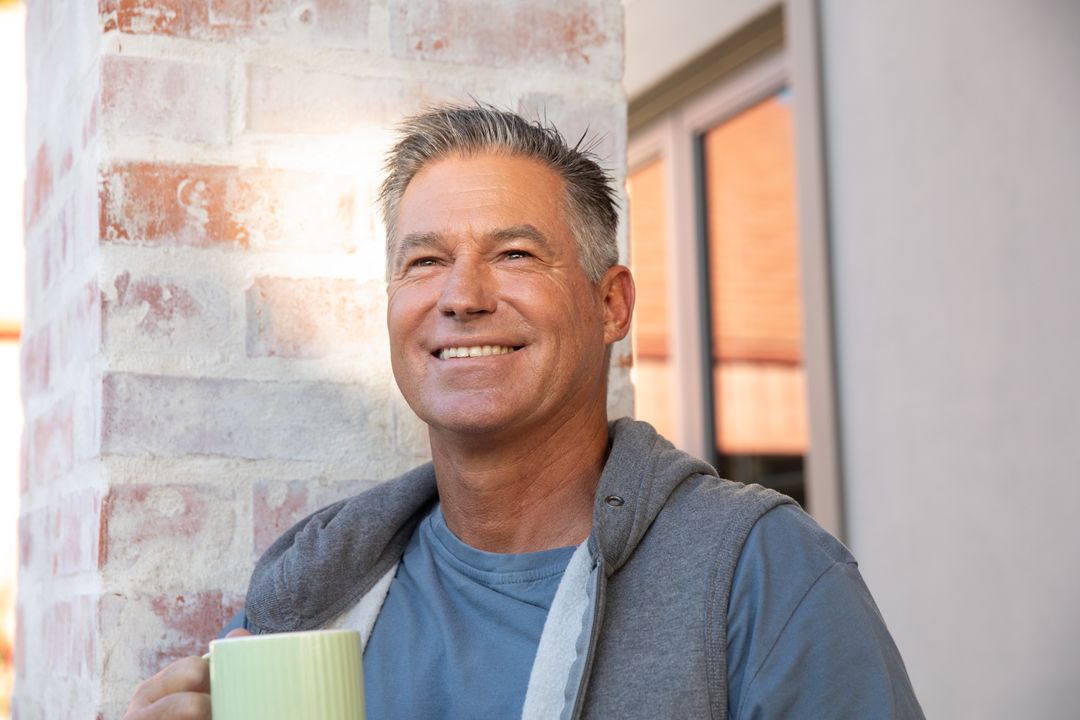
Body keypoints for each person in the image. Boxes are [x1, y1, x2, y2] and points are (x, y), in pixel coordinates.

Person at [125, 104, 924, 719]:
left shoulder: (762, 572)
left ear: (610, 304)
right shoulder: (320, 584)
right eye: (425, 261)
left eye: (514, 254)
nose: (462, 298)